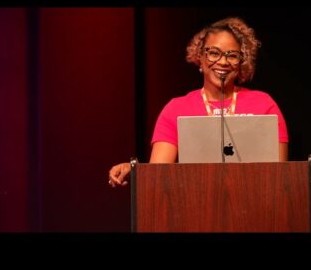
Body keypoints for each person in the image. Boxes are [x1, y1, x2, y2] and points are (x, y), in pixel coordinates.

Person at [108, 17, 288, 188]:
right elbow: (158, 175)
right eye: (214, 53)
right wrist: (135, 171)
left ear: (242, 62)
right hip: (194, 210)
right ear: (200, 57)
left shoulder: (265, 105)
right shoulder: (176, 109)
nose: (223, 62)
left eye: (232, 55)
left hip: (255, 208)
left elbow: (282, 176)